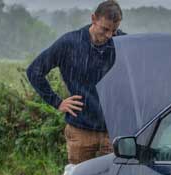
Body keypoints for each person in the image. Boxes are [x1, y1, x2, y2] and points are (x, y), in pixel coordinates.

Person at [26, 1, 125, 164]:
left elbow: (140, 73)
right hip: (80, 131)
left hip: (114, 132)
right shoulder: (69, 43)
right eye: (105, 29)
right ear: (94, 19)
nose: (109, 36)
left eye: (114, 31)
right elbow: (34, 71)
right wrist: (57, 102)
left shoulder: (122, 43)